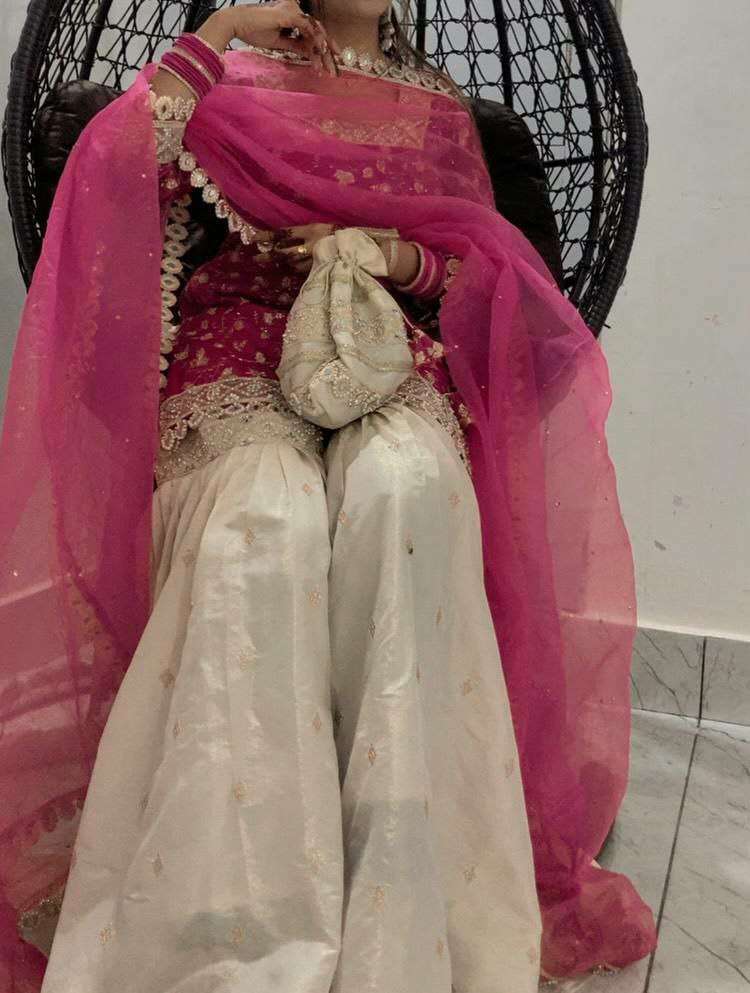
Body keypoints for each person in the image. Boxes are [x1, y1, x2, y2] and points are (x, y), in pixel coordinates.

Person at [0, 1, 658, 990]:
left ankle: (408, 914)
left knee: (408, 496)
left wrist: (389, 257)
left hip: (383, 355)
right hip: (229, 357)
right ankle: (226, 936)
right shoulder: (226, 81)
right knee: (264, 524)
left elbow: (489, 274)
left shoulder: (436, 112)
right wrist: (218, 34)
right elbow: (113, 176)